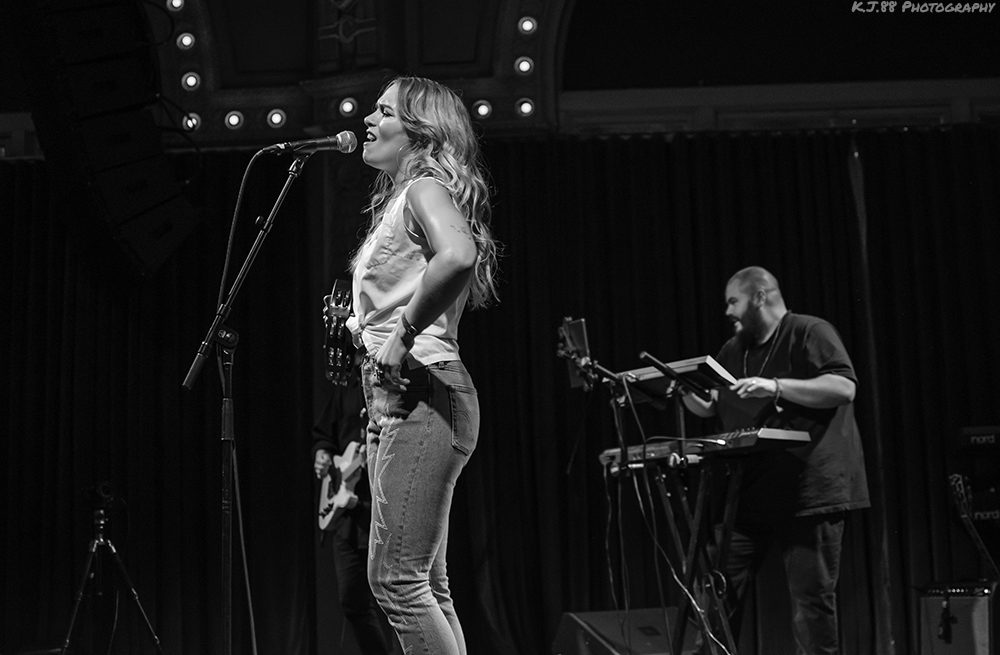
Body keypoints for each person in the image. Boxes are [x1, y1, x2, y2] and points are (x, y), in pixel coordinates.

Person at [345, 75, 500, 654]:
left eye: (382, 111)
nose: (367, 119)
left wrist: (400, 333)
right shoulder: (407, 196)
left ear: (419, 131)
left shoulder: (424, 188)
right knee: (425, 583)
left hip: (423, 390)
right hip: (406, 397)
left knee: (396, 580)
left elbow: (458, 255)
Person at [681, 266, 870, 655]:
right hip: (750, 491)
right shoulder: (734, 351)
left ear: (761, 296)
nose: (729, 311)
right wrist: (679, 388)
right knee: (717, 590)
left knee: (810, 605)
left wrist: (777, 386)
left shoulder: (809, 331)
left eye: (734, 301)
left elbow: (844, 387)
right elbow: (709, 405)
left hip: (809, 488)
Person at [312, 351, 394, 655]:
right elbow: (324, 434)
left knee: (398, 599)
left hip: (382, 507)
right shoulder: (345, 387)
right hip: (347, 514)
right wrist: (322, 454)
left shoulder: (389, 380)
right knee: (351, 600)